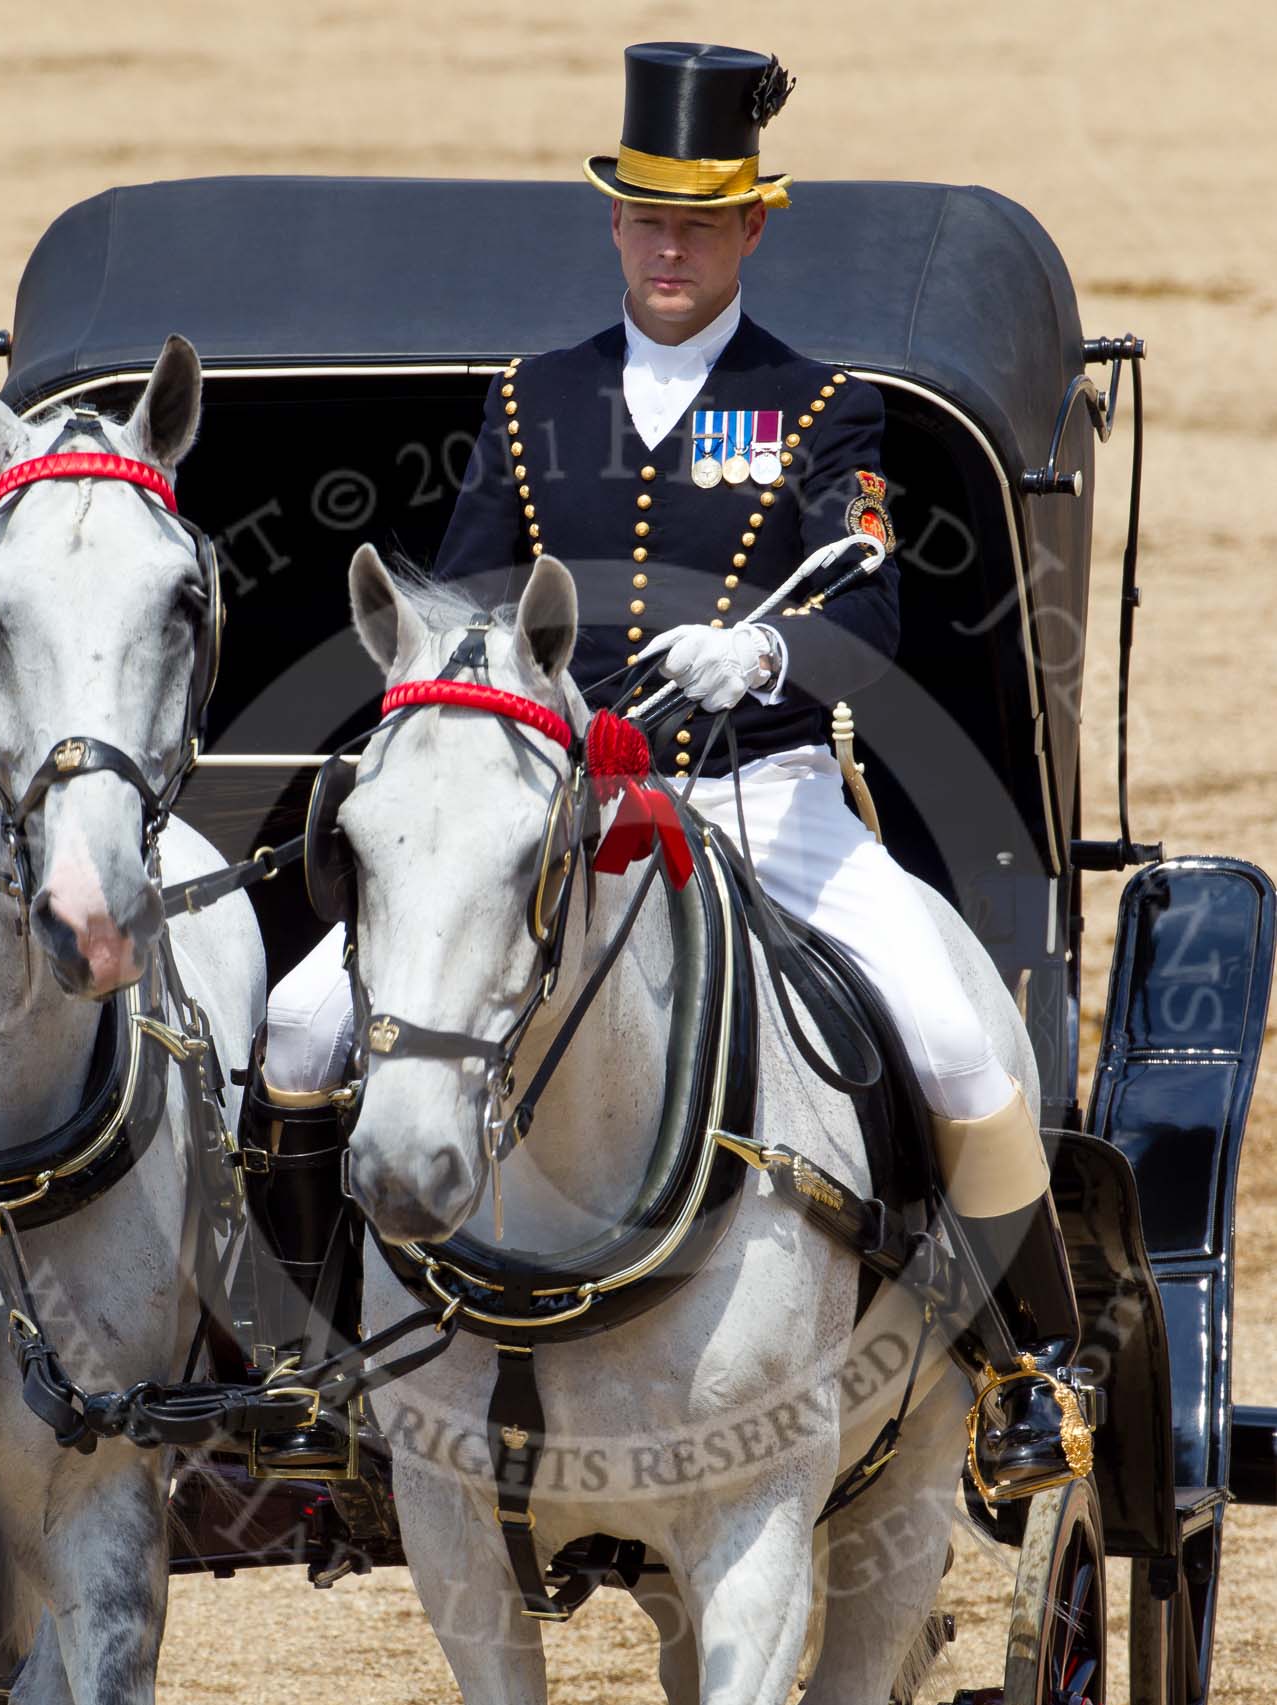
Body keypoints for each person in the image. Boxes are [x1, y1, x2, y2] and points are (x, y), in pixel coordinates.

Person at [248, 41, 1083, 1501]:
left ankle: (1024, 1371)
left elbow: (869, 608)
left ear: (754, 224)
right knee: (305, 1031)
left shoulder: (823, 408)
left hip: (767, 803)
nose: (671, 246)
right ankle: (318, 1362)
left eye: (700, 221)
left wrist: (760, 660)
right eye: (647, 218)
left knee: (953, 1041)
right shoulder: (532, 401)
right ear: (614, 223)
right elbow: (453, 610)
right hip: (560, 811)